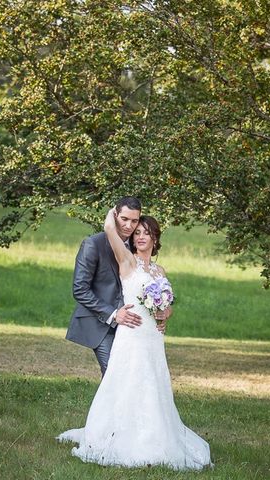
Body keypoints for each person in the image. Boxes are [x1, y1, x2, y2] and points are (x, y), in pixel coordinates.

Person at [57, 208, 212, 470]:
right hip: (131, 334)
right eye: (136, 232)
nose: (140, 236)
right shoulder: (127, 261)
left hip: (153, 337)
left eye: (146, 233)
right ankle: (117, 436)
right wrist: (112, 218)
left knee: (154, 384)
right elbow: (110, 232)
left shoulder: (159, 270)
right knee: (127, 382)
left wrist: (165, 313)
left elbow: (167, 303)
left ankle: (156, 436)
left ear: (155, 239)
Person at [64, 197, 167, 376]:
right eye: (124, 219)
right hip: (101, 322)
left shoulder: (137, 251)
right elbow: (80, 289)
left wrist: (161, 312)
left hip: (133, 327)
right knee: (115, 374)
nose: (129, 226)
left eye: (134, 221)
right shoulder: (93, 244)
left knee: (137, 375)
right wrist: (113, 314)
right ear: (115, 215)